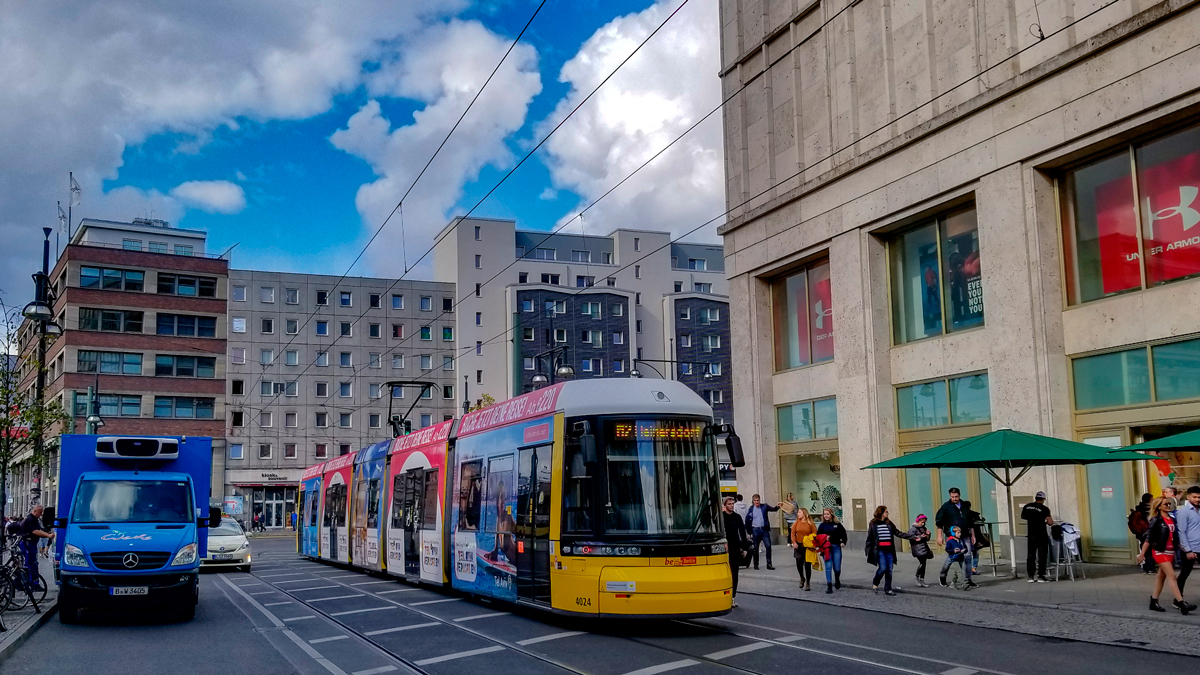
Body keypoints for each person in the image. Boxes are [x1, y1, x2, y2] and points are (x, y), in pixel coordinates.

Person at [1137, 497, 1196, 615]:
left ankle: (1154, 600)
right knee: (1172, 576)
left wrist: (1184, 548)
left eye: (1169, 504)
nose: (1168, 506)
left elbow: (1175, 537)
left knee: (1161, 577)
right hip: (1160, 551)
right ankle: (1181, 602)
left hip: (1170, 551)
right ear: (1158, 506)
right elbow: (1148, 538)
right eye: (1165, 504)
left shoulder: (1172, 519)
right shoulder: (1156, 520)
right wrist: (1142, 554)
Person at [864, 505, 913, 596]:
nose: (887, 513)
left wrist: (911, 537)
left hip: (889, 549)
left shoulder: (889, 523)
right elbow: (870, 537)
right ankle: (875, 582)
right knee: (883, 568)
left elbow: (898, 533)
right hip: (880, 550)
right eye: (886, 511)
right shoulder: (873, 523)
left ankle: (888, 588)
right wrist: (867, 550)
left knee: (889, 570)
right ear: (881, 512)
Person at [722, 496, 749, 607]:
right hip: (724, 547)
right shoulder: (721, 517)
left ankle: (733, 597)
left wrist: (745, 548)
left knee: (735, 573)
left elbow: (742, 532)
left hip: (735, 546)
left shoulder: (737, 517)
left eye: (733, 503)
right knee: (725, 572)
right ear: (725, 505)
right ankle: (724, 595)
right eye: (729, 504)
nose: (732, 506)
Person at [19, 505, 53, 592]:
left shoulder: (34, 519)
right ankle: (31, 584)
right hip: (28, 544)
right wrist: (48, 535)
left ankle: (27, 582)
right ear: (35, 511)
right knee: (30, 564)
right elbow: (35, 531)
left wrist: (46, 532)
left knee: (31, 563)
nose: (41, 514)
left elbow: (39, 529)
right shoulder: (31, 519)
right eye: (40, 512)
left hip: (30, 543)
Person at [934, 488, 973, 563]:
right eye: (952, 497)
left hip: (965, 534)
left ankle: (966, 574)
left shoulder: (964, 506)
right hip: (952, 535)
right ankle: (945, 573)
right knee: (954, 556)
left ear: (959, 495)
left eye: (956, 496)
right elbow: (939, 522)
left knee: (967, 555)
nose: (954, 499)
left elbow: (970, 522)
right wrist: (939, 536)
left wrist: (973, 535)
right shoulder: (946, 507)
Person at [1021, 491, 1053, 583]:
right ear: (1043, 499)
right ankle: (1041, 576)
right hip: (1041, 534)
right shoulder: (1045, 508)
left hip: (1031, 534)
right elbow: (1050, 522)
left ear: (1036, 498)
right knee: (1042, 555)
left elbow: (1023, 516)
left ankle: (1030, 576)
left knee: (1031, 555)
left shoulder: (1027, 506)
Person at [744, 494, 781, 570]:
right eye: (755, 500)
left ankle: (769, 564)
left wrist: (778, 506)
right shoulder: (751, 509)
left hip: (764, 529)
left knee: (768, 546)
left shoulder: (764, 506)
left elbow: (773, 509)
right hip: (755, 530)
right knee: (756, 548)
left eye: (758, 500)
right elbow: (747, 520)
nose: (756, 502)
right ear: (753, 501)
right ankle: (756, 564)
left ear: (759, 500)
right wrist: (749, 531)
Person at [1175, 486, 1200, 595]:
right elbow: (1182, 532)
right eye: (1194, 497)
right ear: (1188, 497)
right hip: (1190, 549)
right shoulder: (1183, 512)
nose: (1197, 499)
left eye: (1199, 497)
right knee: (1184, 573)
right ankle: (1178, 598)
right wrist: (1188, 550)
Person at [816, 507, 847, 594]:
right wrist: (819, 545)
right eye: (824, 514)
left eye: (827, 514)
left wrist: (843, 542)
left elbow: (843, 534)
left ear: (831, 515)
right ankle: (829, 585)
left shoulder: (837, 524)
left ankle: (837, 579)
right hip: (826, 548)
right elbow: (818, 536)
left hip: (836, 546)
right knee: (828, 566)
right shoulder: (822, 526)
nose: (826, 516)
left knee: (837, 567)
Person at [789, 508, 817, 590]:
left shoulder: (810, 523)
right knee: (799, 563)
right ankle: (802, 577)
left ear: (804, 513)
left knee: (807, 564)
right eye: (798, 512)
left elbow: (815, 532)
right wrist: (794, 542)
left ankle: (808, 582)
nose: (798, 513)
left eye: (800, 512)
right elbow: (793, 533)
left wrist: (811, 539)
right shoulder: (796, 523)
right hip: (798, 545)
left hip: (807, 545)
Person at [1130, 493, 1155, 574]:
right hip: (1148, 531)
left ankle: (1145, 568)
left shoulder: (1139, 508)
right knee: (1150, 550)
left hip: (1141, 532)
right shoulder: (1151, 509)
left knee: (1143, 549)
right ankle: (1151, 568)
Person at [907, 514, 934, 587]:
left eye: (924, 522)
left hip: (924, 548)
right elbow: (910, 538)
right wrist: (920, 537)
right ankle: (916, 577)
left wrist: (928, 535)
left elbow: (927, 539)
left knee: (924, 563)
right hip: (917, 549)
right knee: (922, 563)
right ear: (918, 521)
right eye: (921, 522)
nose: (923, 524)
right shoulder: (913, 529)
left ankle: (921, 579)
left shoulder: (923, 528)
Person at [962, 500, 988, 575]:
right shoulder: (974, 514)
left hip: (966, 535)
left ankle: (967, 568)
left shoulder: (962, 514)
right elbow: (980, 524)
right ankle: (973, 568)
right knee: (975, 553)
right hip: (975, 536)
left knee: (967, 553)